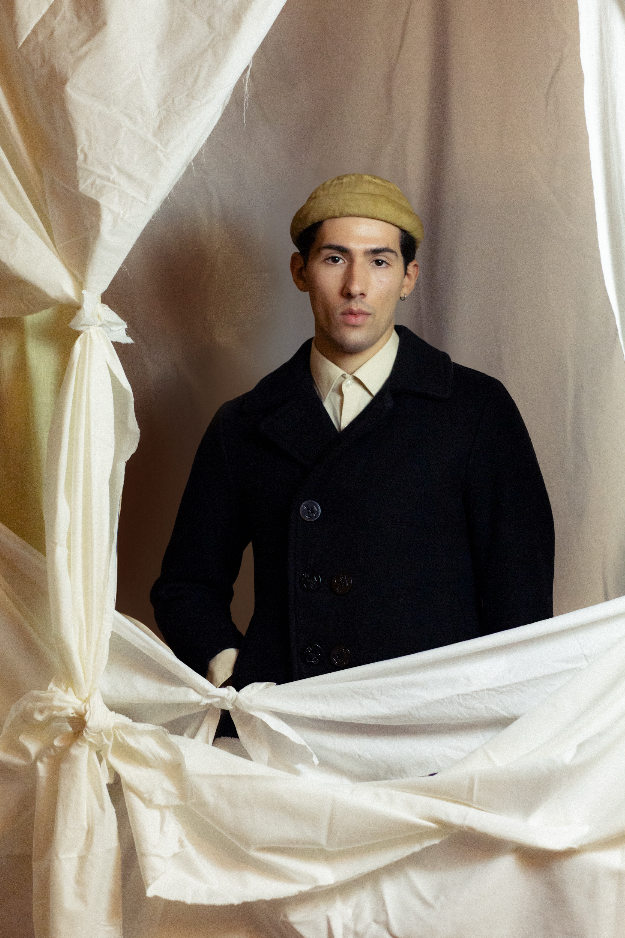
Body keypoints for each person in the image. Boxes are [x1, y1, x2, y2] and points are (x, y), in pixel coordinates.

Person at [151, 173, 555, 695]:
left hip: (429, 723)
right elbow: (186, 586)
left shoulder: (477, 410)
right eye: (334, 258)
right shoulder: (244, 423)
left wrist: (483, 714)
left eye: (379, 261)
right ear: (300, 271)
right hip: (287, 721)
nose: (355, 285)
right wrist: (234, 673)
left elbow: (521, 599)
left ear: (408, 277)